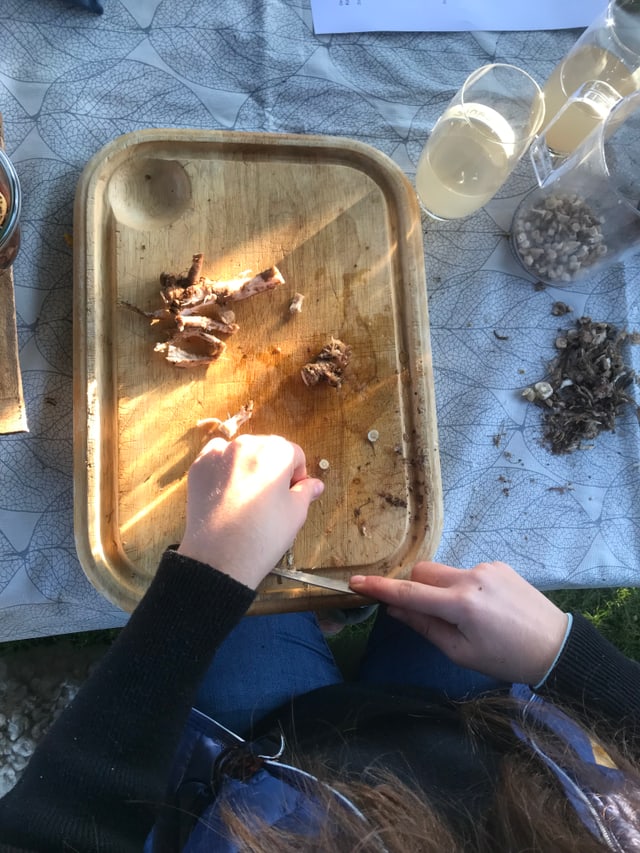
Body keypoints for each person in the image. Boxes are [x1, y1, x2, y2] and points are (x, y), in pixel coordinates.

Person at [0, 433, 639, 852]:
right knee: (434, 577)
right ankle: (341, 633)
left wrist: (203, 585)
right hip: (482, 728)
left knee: (250, 587)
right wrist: (563, 655)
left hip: (250, 766)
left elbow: (50, 832)